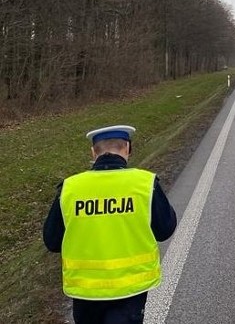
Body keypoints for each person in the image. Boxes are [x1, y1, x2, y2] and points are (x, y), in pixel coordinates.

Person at [43, 125, 177, 324]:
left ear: (93, 152)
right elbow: (165, 230)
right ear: (128, 149)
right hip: (132, 289)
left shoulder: (70, 188)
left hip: (86, 293)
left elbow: (52, 241)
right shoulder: (145, 184)